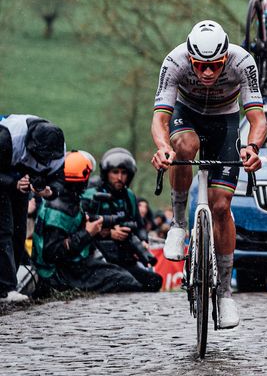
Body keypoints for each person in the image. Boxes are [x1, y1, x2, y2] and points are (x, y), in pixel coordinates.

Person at [150, 20, 267, 328]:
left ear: (225, 58)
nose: (206, 73)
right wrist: (163, 149)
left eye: (214, 66)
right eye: (200, 66)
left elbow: (257, 118)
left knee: (221, 206)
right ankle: (178, 224)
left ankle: (226, 293)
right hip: (186, 115)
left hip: (224, 123)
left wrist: (253, 148)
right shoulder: (174, 62)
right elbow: (160, 119)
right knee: (184, 146)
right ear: (190, 59)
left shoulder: (243, 63)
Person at [33, 151, 142, 296]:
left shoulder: (66, 199)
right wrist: (87, 233)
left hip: (72, 265)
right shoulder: (59, 209)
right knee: (125, 281)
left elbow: (78, 221)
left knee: (122, 276)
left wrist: (104, 221)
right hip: (59, 275)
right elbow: (52, 253)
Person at [0, 114, 64, 302]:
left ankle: (12, 278)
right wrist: (13, 183)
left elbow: (59, 183)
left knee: (19, 231)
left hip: (21, 180)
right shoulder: (7, 137)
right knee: (4, 230)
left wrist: (49, 191)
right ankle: (5, 289)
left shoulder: (57, 150)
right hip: (5, 172)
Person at [82, 148, 162, 292]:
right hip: (99, 257)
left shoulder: (129, 195)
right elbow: (81, 227)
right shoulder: (91, 195)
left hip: (124, 256)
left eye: (124, 173)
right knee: (128, 284)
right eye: (115, 172)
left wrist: (143, 240)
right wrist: (109, 233)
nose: (120, 177)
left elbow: (140, 226)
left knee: (154, 281)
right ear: (106, 173)